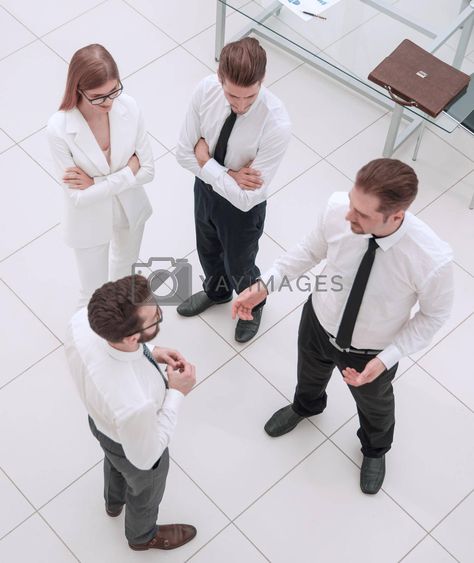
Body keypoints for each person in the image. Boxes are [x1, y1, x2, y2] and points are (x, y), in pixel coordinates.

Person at [232, 158, 454, 494]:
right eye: (352, 203)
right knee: (308, 375)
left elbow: (433, 316)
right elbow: (309, 251)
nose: (349, 215)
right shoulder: (338, 208)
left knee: (375, 405)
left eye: (362, 214)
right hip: (319, 321)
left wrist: (387, 358)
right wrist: (265, 285)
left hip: (372, 351)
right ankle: (306, 407)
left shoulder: (431, 260)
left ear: (396, 216)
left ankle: (375, 449)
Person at [65, 275, 197, 551]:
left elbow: (115, 348)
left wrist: (151, 351)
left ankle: (113, 503)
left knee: (114, 461)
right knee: (146, 489)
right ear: (131, 336)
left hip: (100, 424)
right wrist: (176, 393)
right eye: (155, 317)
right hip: (134, 442)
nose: (159, 314)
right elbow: (146, 456)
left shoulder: (80, 322)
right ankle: (141, 536)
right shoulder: (135, 403)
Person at [175, 37, 291, 343]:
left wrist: (207, 162)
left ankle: (255, 301)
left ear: (262, 81)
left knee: (240, 264)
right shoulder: (205, 91)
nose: (240, 106)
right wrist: (229, 174)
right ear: (219, 77)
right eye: (232, 96)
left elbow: (245, 198)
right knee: (207, 247)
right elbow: (182, 153)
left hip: (242, 212)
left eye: (249, 98)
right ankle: (217, 292)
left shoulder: (276, 123)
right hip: (205, 190)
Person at [47, 44, 154, 307]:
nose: (108, 102)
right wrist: (130, 171)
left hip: (129, 210)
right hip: (88, 220)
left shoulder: (129, 107)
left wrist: (95, 183)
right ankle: (90, 342)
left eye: (113, 91)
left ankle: (120, 337)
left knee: (123, 282)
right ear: (78, 89)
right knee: (93, 294)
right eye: (97, 96)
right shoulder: (59, 129)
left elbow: (149, 170)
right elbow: (78, 198)